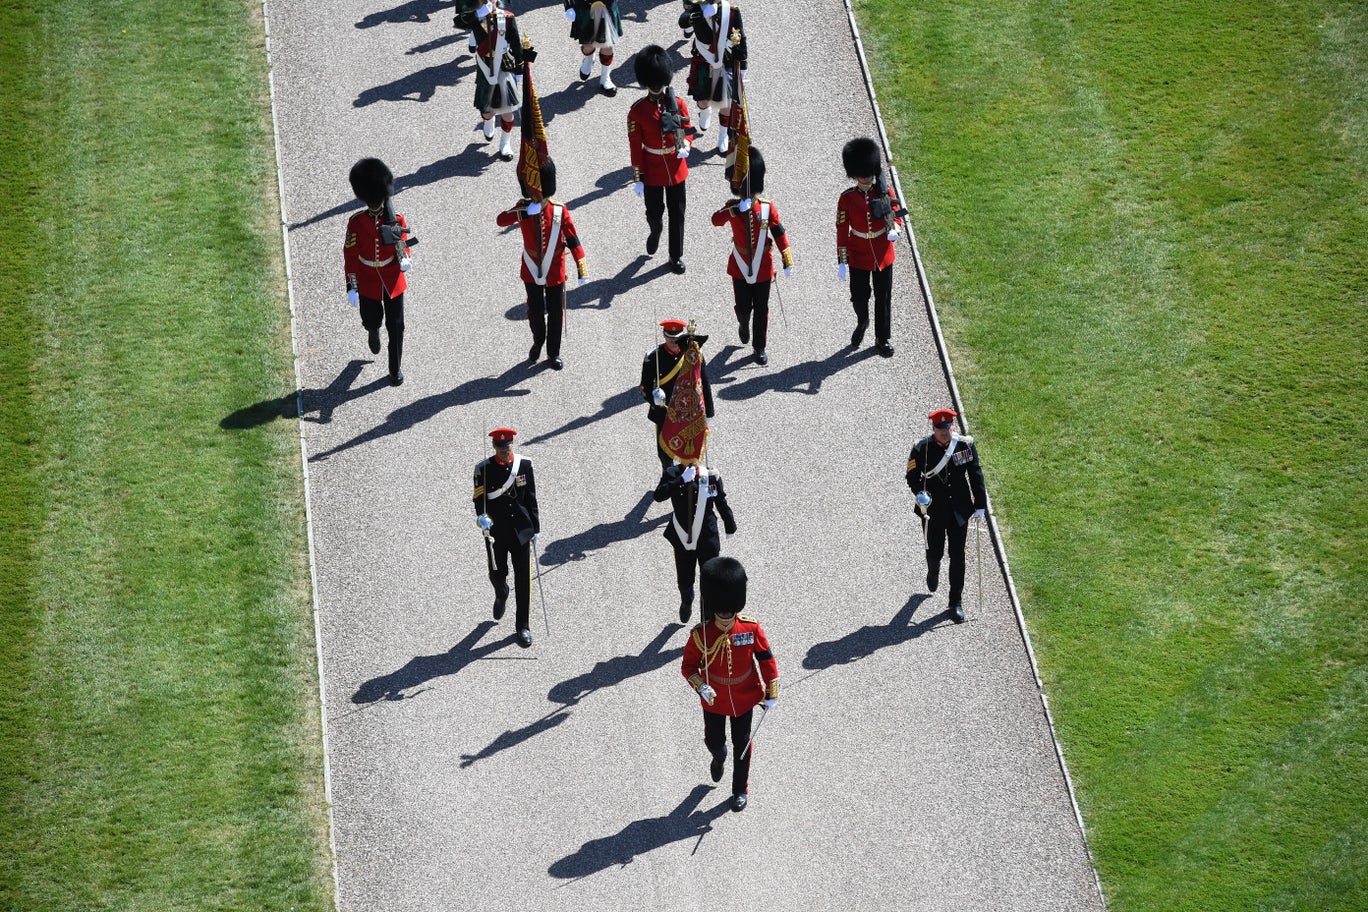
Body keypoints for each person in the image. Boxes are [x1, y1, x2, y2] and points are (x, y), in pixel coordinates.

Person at [496, 65, 587, 371]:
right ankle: (537, 341)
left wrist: (581, 263)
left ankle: (553, 352)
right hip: (532, 266)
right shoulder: (524, 207)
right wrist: (522, 209)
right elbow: (501, 221)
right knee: (536, 313)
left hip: (555, 268)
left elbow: (572, 237)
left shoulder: (560, 210)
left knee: (557, 313)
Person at [681, 556, 778, 812]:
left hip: (745, 697)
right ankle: (718, 756)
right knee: (715, 742)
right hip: (714, 699)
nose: (725, 613)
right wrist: (701, 686)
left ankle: (739, 790)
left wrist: (771, 691)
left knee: (743, 745)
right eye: (721, 608)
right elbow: (689, 668)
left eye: (729, 608)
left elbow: (766, 659)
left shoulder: (750, 628)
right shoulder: (701, 635)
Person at [710, 145, 793, 365]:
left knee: (762, 309)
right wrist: (736, 209)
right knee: (744, 307)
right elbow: (715, 220)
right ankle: (742, 323)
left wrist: (787, 259)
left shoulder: (766, 208)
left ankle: (759, 346)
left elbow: (779, 232)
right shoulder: (733, 207)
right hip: (740, 264)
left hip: (763, 265)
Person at [905, 408, 987, 623]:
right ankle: (933, 571)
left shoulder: (964, 445)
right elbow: (912, 477)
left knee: (958, 557)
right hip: (933, 511)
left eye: (947, 427)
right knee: (935, 551)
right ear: (933, 428)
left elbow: (975, 474)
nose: (944, 432)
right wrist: (921, 495)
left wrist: (980, 505)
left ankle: (955, 601)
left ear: (953, 426)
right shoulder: (921, 448)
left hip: (959, 510)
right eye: (939, 428)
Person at [344, 158, 413, 386]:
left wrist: (404, 257)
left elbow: (401, 241)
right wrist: (352, 285)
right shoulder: (356, 222)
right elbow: (351, 256)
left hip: (392, 277)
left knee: (397, 326)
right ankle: (372, 330)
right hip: (368, 278)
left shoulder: (397, 218)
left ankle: (395, 369)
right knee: (371, 318)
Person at [836, 136, 905, 358]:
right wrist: (842, 259)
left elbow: (896, 214)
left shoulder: (884, 192)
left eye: (868, 173)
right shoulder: (847, 198)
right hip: (858, 254)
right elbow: (841, 230)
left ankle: (882, 337)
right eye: (861, 174)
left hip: (883, 252)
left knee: (883, 297)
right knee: (859, 296)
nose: (865, 178)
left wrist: (895, 227)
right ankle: (862, 321)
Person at [627, 44, 693, 274]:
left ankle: (675, 255)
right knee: (654, 213)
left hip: (676, 166)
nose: (656, 85)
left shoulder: (678, 103)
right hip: (652, 169)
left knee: (678, 214)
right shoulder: (637, 111)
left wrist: (686, 143)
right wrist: (638, 177)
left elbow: (688, 128)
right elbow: (635, 147)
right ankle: (655, 231)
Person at [473, 427, 540, 648]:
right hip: (496, 532)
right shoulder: (483, 469)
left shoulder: (524, 465)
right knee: (496, 573)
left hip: (521, 531)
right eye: (500, 446)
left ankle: (523, 626)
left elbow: (531, 499)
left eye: (507, 445)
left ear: (512, 444)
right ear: (494, 447)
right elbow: (479, 501)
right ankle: (501, 593)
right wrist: (482, 518)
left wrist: (536, 529)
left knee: (524, 581)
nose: (504, 449)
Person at [654, 460, 736, 623]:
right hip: (682, 537)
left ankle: (706, 623)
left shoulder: (710, 475)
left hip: (707, 538)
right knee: (685, 582)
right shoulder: (672, 474)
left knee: (710, 583)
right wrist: (681, 480)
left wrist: (729, 524)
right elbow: (658, 496)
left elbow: (720, 501)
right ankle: (686, 602)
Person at [640, 319, 715, 468]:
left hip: (689, 413)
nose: (673, 341)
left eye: (677, 337)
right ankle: (668, 481)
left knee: (691, 455)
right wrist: (653, 398)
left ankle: (689, 486)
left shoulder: (693, 354)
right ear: (664, 335)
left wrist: (709, 413)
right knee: (665, 455)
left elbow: (703, 382)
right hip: (666, 412)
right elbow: (644, 386)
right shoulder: (654, 356)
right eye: (669, 337)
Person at [459, 0, 527, 161]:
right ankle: (488, 121)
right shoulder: (475, 17)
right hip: (486, 67)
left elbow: (516, 44)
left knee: (508, 111)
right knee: (488, 112)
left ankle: (505, 143)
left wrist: (519, 70)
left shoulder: (507, 18)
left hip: (504, 66)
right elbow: (458, 21)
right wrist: (478, 14)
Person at [679, 0, 746, 154]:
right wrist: (701, 15)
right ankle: (704, 110)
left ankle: (723, 136)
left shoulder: (732, 11)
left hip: (725, 61)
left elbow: (740, 38)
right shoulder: (698, 7)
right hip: (703, 60)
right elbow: (683, 21)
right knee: (702, 100)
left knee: (726, 104)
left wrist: (743, 66)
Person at [564, 0, 622, 96]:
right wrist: (568, 5)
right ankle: (589, 59)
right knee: (588, 46)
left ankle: (605, 78)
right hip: (585, 6)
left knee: (607, 46)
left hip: (607, 5)